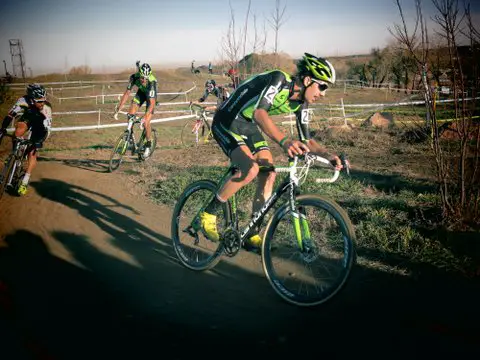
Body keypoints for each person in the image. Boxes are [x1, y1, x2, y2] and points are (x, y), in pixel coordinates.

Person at [198, 53, 343, 252]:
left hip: (246, 125)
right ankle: (208, 214)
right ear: (308, 80)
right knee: (250, 169)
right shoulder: (279, 79)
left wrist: (328, 155)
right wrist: (284, 141)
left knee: (269, 173)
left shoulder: (302, 103)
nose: (323, 93)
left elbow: (307, 140)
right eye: (322, 86)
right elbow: (260, 113)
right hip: (226, 120)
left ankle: (252, 232)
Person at [0, 83, 52, 196]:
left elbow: (47, 130)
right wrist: (3, 129)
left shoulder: (46, 108)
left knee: (32, 152)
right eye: (39, 101)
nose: (42, 103)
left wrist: (38, 141)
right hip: (27, 117)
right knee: (19, 130)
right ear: (31, 99)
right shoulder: (22, 101)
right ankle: (15, 152)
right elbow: (10, 115)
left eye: (43, 100)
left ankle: (24, 181)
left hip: (40, 126)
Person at [114, 62, 158, 158]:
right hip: (141, 93)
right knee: (130, 114)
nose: (143, 80)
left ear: (148, 77)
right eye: (142, 77)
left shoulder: (152, 82)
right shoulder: (134, 77)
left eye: (145, 78)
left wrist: (145, 117)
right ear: (139, 74)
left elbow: (152, 104)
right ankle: (129, 134)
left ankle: (148, 144)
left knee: (146, 122)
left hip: (150, 98)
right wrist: (119, 107)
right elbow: (127, 93)